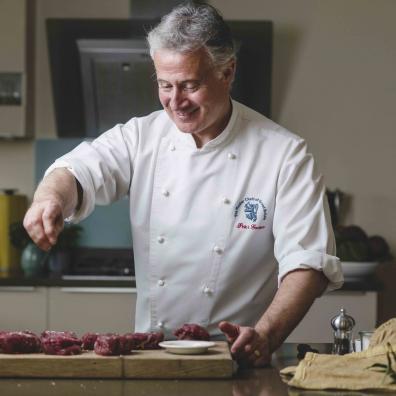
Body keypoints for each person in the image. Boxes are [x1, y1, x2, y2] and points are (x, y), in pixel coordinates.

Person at [23, 2, 343, 367]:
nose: (176, 102)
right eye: (164, 85)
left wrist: (267, 335)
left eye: (190, 85)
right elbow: (80, 169)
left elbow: (308, 262)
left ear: (228, 72)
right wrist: (50, 197)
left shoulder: (284, 154)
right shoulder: (142, 137)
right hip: (150, 360)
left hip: (236, 360)